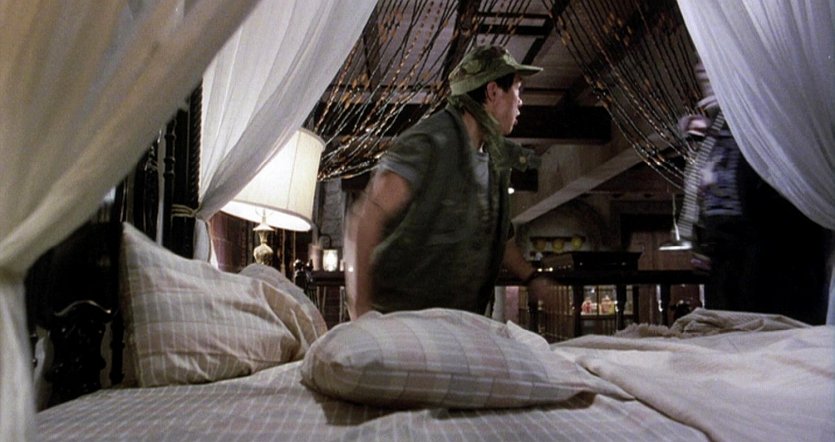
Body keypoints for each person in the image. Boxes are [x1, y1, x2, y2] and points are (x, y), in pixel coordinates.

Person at [344, 45, 554, 320]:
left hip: (461, 321)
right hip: (404, 319)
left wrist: (531, 277)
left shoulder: (496, 160)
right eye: (517, 89)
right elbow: (367, 218)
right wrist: (361, 309)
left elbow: (500, 240)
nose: (521, 102)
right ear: (493, 92)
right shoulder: (429, 143)